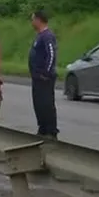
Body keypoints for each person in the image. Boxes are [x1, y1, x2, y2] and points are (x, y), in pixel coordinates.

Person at [29, 10, 59, 139]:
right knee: (38, 103)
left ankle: (51, 130)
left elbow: (51, 54)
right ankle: (42, 128)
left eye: (32, 19)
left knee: (46, 103)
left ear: (38, 20)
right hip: (36, 77)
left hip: (44, 77)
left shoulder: (47, 36)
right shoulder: (39, 36)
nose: (31, 22)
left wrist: (46, 72)